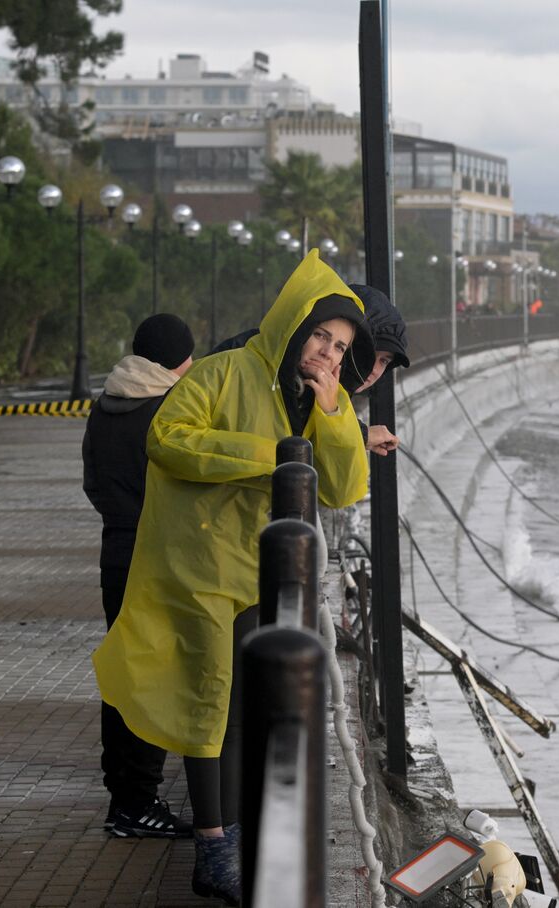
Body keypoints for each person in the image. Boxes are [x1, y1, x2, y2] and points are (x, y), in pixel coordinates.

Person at [92, 251, 376, 905]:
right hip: (200, 569)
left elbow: (345, 486)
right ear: (294, 324)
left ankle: (237, 833)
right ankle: (213, 844)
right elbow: (169, 437)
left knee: (244, 708)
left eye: (340, 348)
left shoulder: (310, 399)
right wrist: (270, 455)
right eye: (322, 337)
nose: (329, 353)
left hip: (258, 573)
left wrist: (333, 414)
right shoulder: (223, 373)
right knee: (206, 709)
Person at [82, 313, 195, 839]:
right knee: (153, 677)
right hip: (154, 556)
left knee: (127, 673)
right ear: (178, 360)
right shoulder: (167, 408)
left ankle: (125, 797)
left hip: (115, 553)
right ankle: (136, 804)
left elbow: (93, 481)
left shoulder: (104, 405)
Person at [208, 281, 410, 456]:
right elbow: (283, 437)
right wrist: (357, 435)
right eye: (367, 356)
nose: (373, 370)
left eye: (384, 361)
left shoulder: (322, 385)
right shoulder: (256, 366)